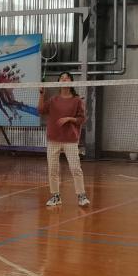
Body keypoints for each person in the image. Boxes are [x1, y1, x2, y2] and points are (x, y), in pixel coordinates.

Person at [39, 72, 89, 208]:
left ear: (71, 82)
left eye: (67, 78)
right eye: (62, 78)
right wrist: (42, 94)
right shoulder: (53, 100)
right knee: (52, 169)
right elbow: (41, 110)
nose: (64, 79)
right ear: (58, 82)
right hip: (53, 139)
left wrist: (69, 119)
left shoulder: (77, 100)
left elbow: (82, 119)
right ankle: (55, 196)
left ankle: (81, 196)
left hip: (70, 140)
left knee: (76, 168)